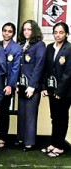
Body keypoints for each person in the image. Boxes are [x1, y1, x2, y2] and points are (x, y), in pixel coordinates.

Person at [41, 22, 71, 157]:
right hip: (51, 89)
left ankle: (59, 146)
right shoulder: (50, 47)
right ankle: (53, 143)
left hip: (65, 91)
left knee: (62, 118)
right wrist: (45, 87)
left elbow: (68, 73)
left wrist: (60, 91)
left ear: (67, 34)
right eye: (56, 32)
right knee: (54, 117)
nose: (58, 35)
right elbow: (47, 69)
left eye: (61, 32)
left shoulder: (69, 49)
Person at [16, 20, 46, 151]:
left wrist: (32, 85)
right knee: (22, 112)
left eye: (29, 29)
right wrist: (17, 83)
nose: (26, 32)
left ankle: (29, 142)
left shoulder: (39, 45)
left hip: (32, 85)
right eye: (24, 29)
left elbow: (39, 66)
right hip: (22, 84)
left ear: (34, 30)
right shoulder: (23, 44)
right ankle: (21, 138)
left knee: (30, 114)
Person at [0, 22, 21, 148]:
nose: (7, 33)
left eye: (10, 31)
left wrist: (10, 85)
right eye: (5, 30)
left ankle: (3, 137)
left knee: (4, 111)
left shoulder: (16, 48)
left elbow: (15, 69)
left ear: (13, 33)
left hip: (7, 82)